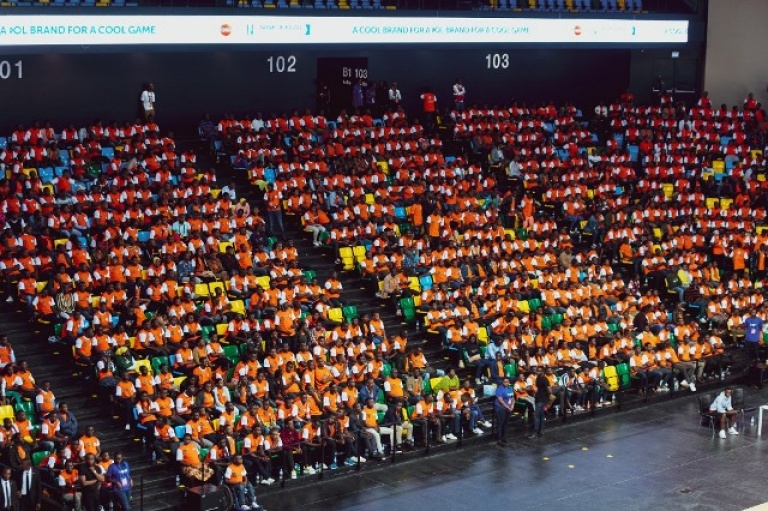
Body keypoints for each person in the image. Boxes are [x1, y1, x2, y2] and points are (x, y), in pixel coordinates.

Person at [532, 368, 551, 438]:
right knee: (541, 415)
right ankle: (541, 431)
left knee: (537, 416)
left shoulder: (544, 379)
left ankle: (536, 432)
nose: (537, 372)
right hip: (538, 398)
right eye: (537, 371)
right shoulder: (538, 378)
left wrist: (545, 395)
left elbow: (549, 390)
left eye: (539, 371)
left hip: (542, 399)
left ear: (543, 372)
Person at [494, 377, 514, 446]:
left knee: (506, 423)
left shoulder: (510, 388)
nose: (506, 383)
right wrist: (507, 407)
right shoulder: (499, 389)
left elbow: (512, 398)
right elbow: (500, 400)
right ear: (502, 382)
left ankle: (504, 437)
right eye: (504, 382)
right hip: (501, 408)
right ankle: (499, 439)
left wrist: (512, 406)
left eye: (507, 382)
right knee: (500, 423)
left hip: (508, 407)